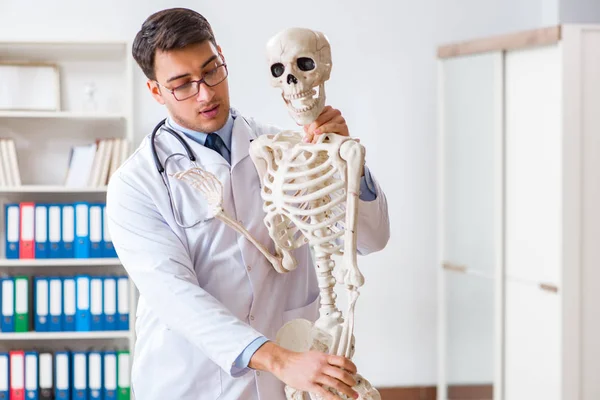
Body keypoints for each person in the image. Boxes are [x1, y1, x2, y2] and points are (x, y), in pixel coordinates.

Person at [105, 7, 390, 400]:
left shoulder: (290, 151)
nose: (205, 93)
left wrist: (345, 164)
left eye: (211, 71)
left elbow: (370, 241)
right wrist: (278, 359)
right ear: (156, 91)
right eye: (183, 84)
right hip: (191, 381)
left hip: (289, 380)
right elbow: (175, 296)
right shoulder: (136, 185)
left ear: (222, 57)